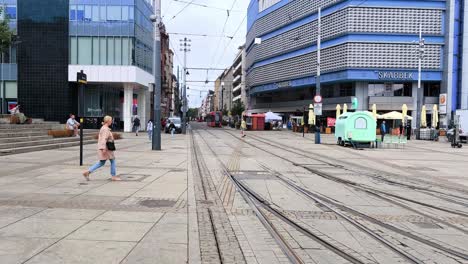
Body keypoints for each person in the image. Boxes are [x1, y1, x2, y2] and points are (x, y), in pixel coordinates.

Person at [82, 115, 120, 181]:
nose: (111, 122)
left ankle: (87, 172)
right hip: (106, 148)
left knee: (102, 162)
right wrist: (103, 148)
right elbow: (104, 139)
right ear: (108, 121)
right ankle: (113, 176)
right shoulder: (105, 129)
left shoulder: (104, 128)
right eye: (111, 120)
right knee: (112, 160)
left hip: (106, 148)